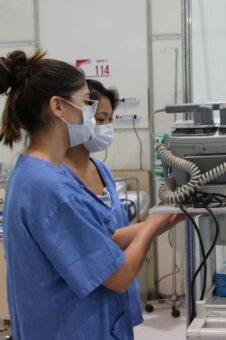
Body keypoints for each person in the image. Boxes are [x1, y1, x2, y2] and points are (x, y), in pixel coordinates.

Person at [0, 49, 181, 339]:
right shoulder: (49, 186)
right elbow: (119, 277)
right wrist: (151, 228)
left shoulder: (33, 173)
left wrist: (162, 218)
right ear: (57, 107)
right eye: (86, 103)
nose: (92, 115)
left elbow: (98, 243)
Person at [61, 79, 143, 327]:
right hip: (82, 308)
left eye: (110, 120)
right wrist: (150, 229)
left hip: (115, 301)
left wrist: (164, 218)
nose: (106, 127)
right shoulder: (57, 179)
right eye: (99, 119)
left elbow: (113, 236)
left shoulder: (101, 170)